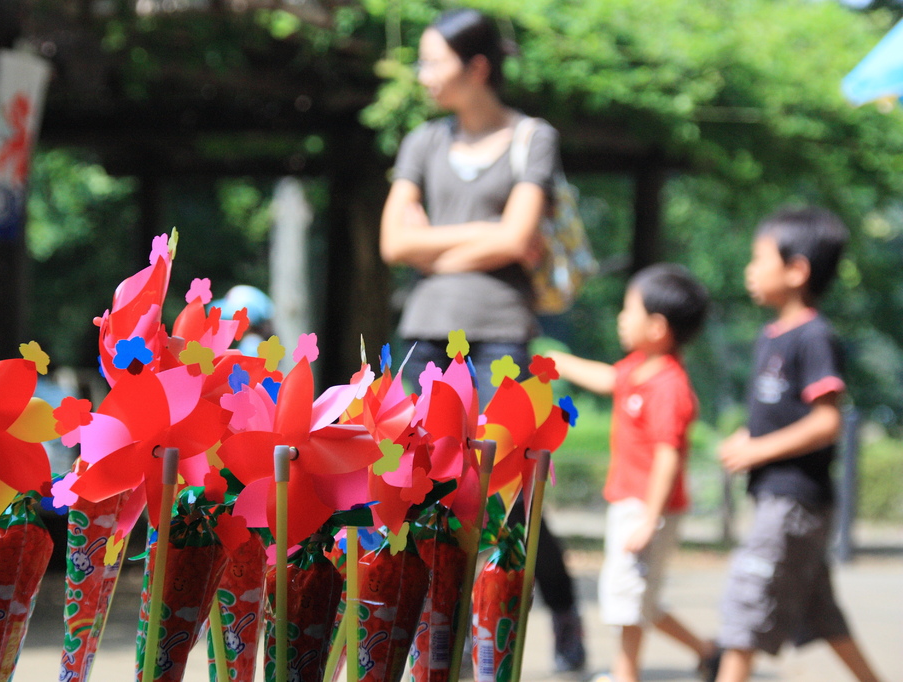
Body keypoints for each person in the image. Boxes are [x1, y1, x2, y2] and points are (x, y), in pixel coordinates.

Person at [378, 8, 585, 673]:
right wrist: (482, 239)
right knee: (414, 482)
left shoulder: (533, 138)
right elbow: (393, 243)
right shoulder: (422, 142)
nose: (422, 74)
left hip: (499, 332)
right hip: (422, 332)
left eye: (433, 61)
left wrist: (430, 246)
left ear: (477, 69)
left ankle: (554, 610)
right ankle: (433, 633)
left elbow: (518, 238)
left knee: (508, 488)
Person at [714, 207, 884, 682]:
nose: (749, 269)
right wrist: (750, 438)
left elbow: (826, 421)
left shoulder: (814, 337)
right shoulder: (771, 336)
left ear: (796, 270)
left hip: (794, 502)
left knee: (745, 605)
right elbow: (781, 415)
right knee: (822, 615)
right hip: (778, 497)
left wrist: (758, 451)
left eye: (758, 258)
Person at [548, 264, 719, 682]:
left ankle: (626, 674)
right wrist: (559, 362)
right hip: (630, 501)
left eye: (629, 310)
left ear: (657, 327)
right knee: (640, 598)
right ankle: (709, 653)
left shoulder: (669, 386)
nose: (621, 318)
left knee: (626, 594)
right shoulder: (638, 369)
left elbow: (668, 456)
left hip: (648, 507)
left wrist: (649, 518)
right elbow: (608, 378)